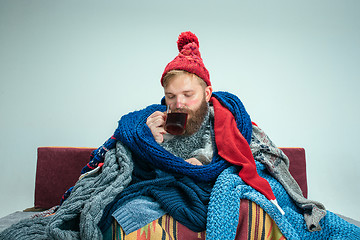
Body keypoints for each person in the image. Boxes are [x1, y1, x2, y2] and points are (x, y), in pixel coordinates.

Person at [1, 31, 359, 240]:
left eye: (187, 95)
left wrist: (201, 164)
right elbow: (126, 166)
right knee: (127, 211)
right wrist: (147, 143)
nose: (179, 104)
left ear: (206, 92)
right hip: (164, 186)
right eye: (172, 97)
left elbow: (255, 159)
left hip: (211, 183)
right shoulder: (154, 122)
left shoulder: (230, 121)